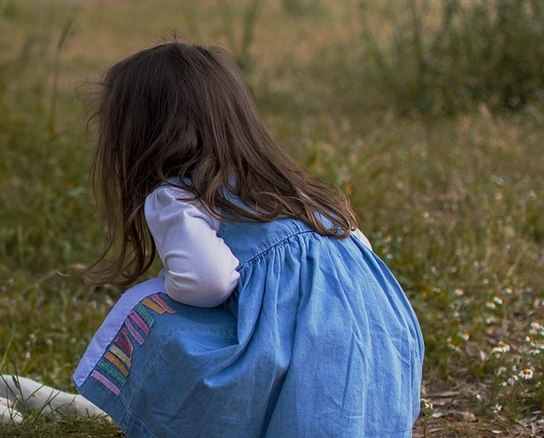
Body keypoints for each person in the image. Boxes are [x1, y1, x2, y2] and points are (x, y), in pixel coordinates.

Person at [73, 41, 424, 437]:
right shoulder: (293, 188)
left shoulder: (178, 195)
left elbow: (207, 282)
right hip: (381, 363)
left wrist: (166, 287)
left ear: (139, 134)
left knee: (150, 313)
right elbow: (360, 259)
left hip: (304, 370)